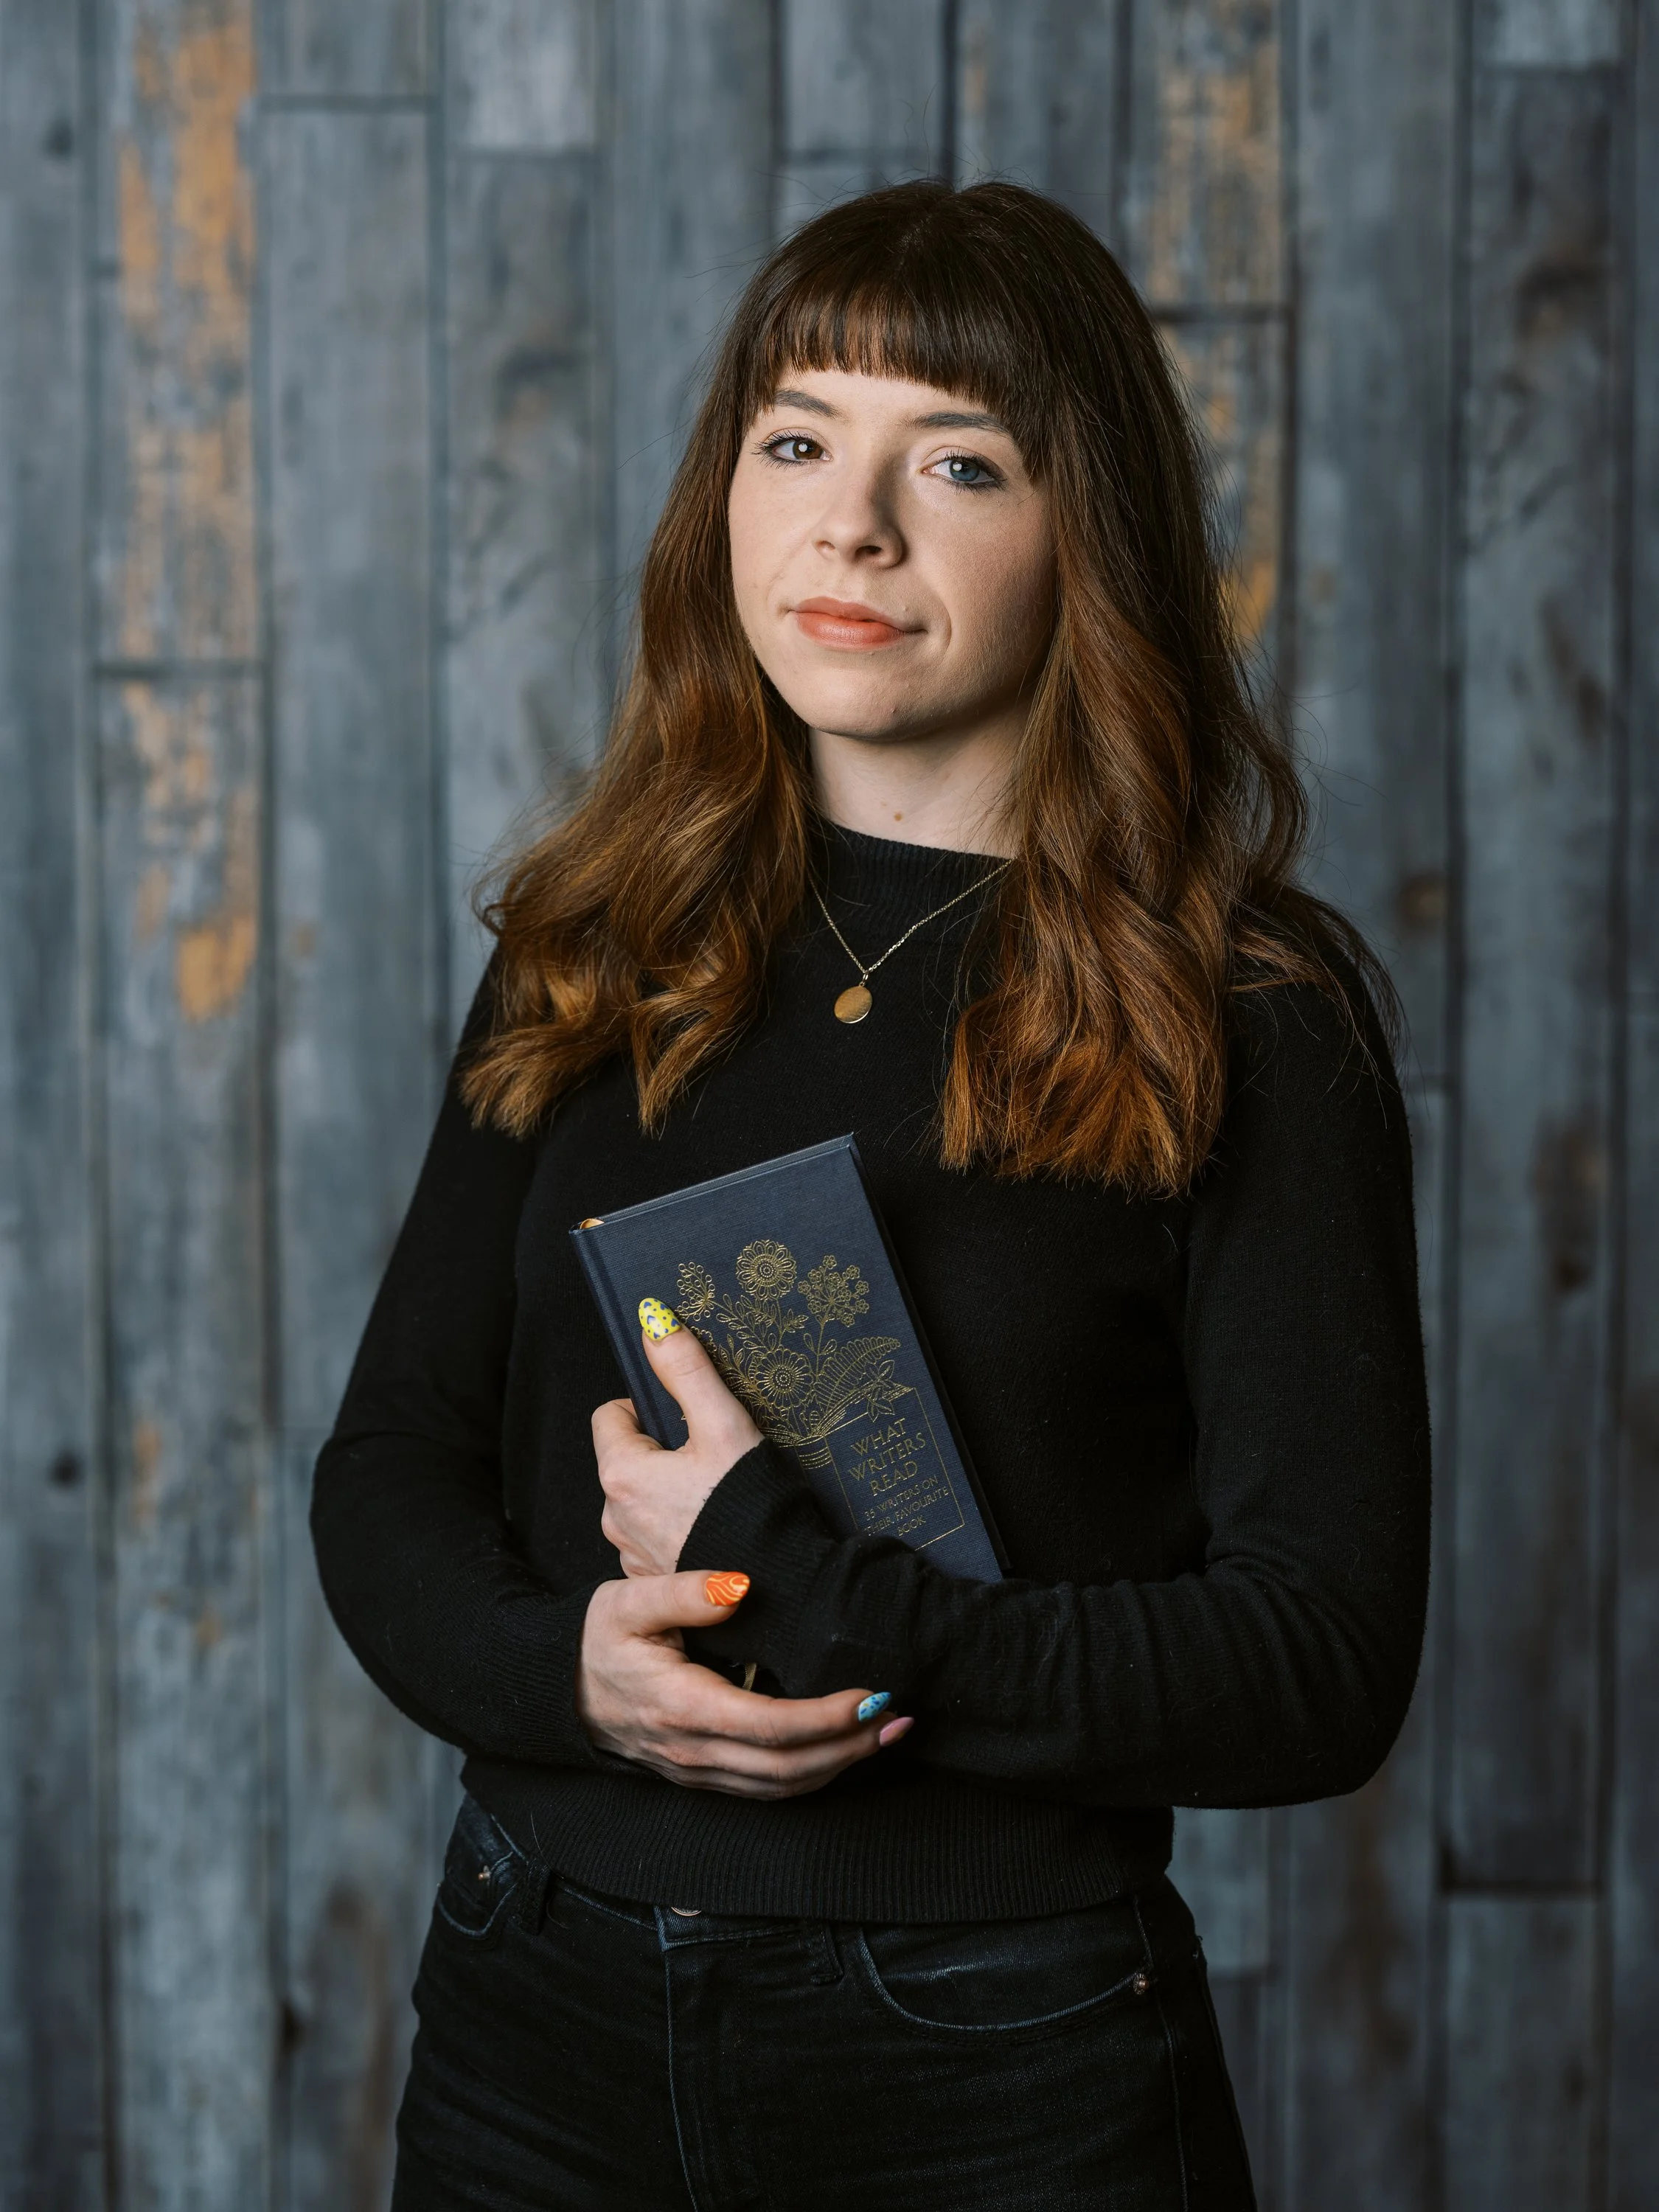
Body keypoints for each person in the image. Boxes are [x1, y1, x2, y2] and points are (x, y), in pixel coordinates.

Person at [313, 179, 1430, 2211]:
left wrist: (805, 1589)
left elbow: (1317, 1666)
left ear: (1087, 534)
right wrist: (571, 1681)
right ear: (723, 496)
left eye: (962, 462)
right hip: (533, 2010)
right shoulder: (597, 939)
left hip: (995, 2063)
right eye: (798, 440)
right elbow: (391, 1464)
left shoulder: (1246, 1014)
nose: (854, 527)